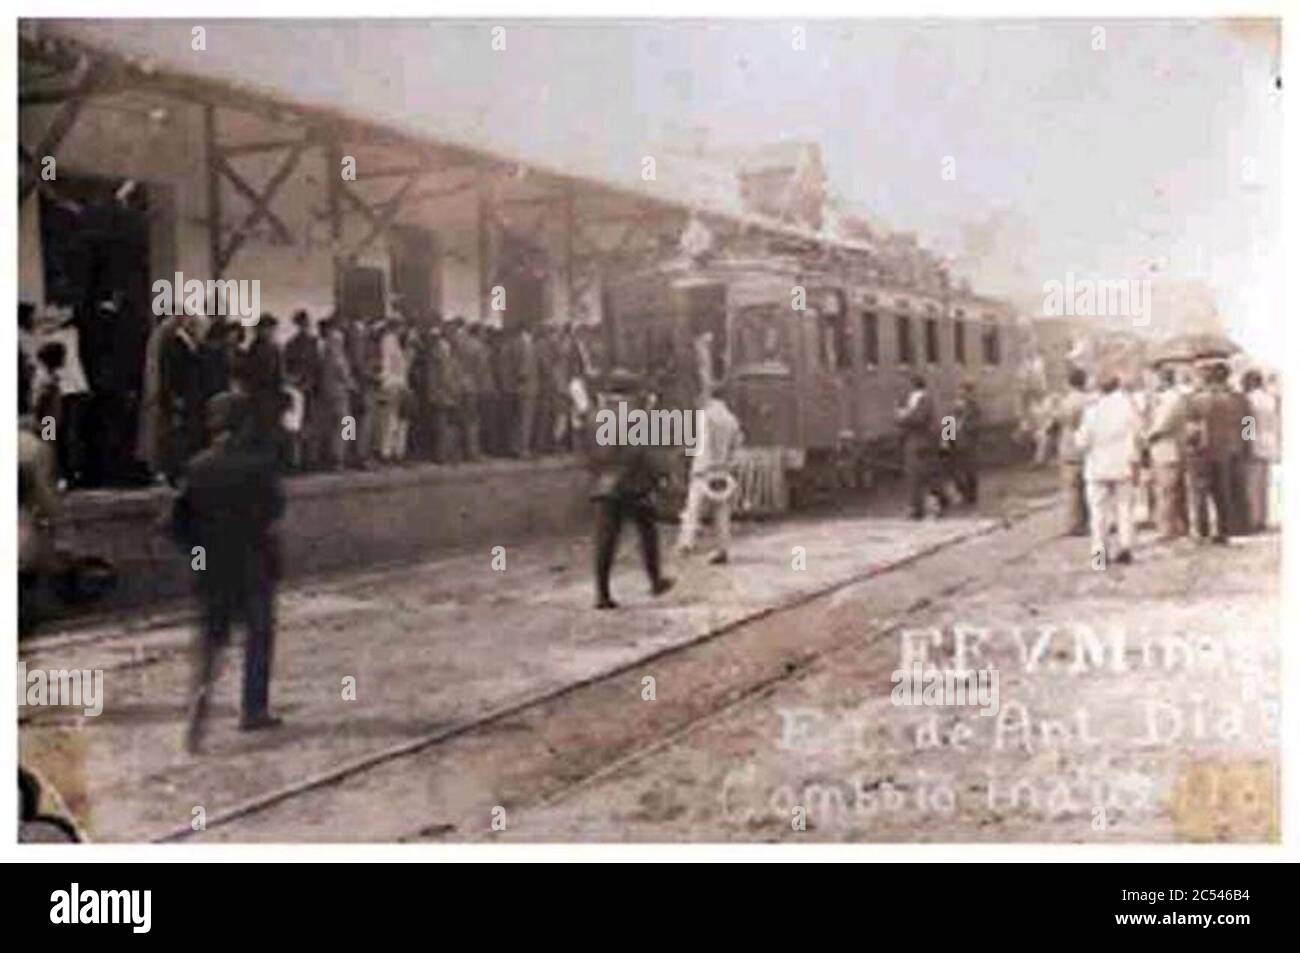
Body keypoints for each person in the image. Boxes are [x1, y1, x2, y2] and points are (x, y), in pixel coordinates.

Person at [169, 392, 285, 754]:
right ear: (245, 423)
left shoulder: (197, 466)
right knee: (258, 637)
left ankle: (199, 707)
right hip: (254, 566)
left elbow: (177, 522)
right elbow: (275, 510)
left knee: (211, 642)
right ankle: (253, 709)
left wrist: (198, 554)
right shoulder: (260, 465)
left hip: (212, 569)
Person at [585, 370, 674, 609]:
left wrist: (596, 475)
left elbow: (588, 452)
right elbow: (645, 453)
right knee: (648, 532)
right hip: (633, 485)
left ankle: (602, 594)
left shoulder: (595, 416)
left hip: (603, 485)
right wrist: (659, 477)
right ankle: (655, 580)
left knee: (605, 541)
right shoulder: (636, 416)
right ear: (632, 392)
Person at [1076, 373, 1140, 565]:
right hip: (1122, 465)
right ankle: (1126, 549)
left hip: (1097, 467)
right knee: (1124, 508)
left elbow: (1082, 441)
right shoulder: (1129, 408)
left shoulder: (1092, 410)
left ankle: (1099, 558)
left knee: (1098, 514)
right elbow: (1138, 434)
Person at [677, 381, 744, 563]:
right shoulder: (731, 420)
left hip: (703, 469)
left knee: (693, 510)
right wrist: (728, 465)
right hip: (722, 472)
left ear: (709, 396)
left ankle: (686, 544)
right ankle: (722, 549)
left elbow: (697, 442)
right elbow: (736, 447)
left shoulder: (704, 416)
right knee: (721, 513)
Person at [1186, 360, 1249, 542]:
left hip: (1203, 451)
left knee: (1200, 492)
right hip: (1230, 450)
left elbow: (1192, 429)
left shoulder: (1196, 399)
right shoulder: (1239, 399)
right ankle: (1224, 530)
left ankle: (1202, 530)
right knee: (1224, 491)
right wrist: (1245, 445)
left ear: (1208, 377)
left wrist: (1190, 447)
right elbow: (1248, 424)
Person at [1143, 363, 1190, 540]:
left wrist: (1146, 438)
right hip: (1168, 448)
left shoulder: (1171, 399)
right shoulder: (1166, 398)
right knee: (1173, 491)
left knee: (1166, 491)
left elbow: (1162, 426)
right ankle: (1179, 525)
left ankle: (1168, 529)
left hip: (1167, 448)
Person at [895, 373, 948, 519]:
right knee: (923, 476)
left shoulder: (922, 400)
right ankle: (926, 505)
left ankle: (922, 507)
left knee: (918, 476)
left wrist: (902, 416)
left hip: (920, 444)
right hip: (921, 443)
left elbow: (918, 419)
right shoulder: (923, 399)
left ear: (912, 386)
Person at [282, 309, 321, 470]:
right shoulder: (306, 343)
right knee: (300, 425)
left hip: (306, 387)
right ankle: (303, 459)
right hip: (303, 388)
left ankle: (305, 458)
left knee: (305, 424)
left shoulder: (296, 343)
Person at [1055, 367, 1092, 536]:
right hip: (1088, 447)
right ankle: (1090, 520)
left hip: (1069, 447)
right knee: (1089, 486)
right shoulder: (1091, 401)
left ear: (1069, 383)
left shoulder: (1065, 402)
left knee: (1072, 487)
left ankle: (1074, 523)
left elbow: (1056, 421)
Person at [1241, 369, 1279, 533]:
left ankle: (1253, 519)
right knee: (1263, 485)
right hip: (1268, 443)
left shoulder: (1249, 400)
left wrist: (1246, 443)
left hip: (1254, 444)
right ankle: (1262, 518)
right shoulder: (1269, 399)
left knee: (1251, 485)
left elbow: (1248, 424)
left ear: (1250, 382)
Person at [315, 317, 355, 470]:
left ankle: (329, 455)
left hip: (325, 391)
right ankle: (340, 456)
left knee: (329, 424)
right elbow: (343, 372)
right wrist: (351, 384)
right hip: (340, 391)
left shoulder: (321, 350)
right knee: (346, 422)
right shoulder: (337, 355)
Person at [945, 379, 982, 505]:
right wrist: (946, 439)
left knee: (970, 471)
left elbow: (976, 425)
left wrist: (963, 424)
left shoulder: (974, 407)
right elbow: (948, 420)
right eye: (960, 391)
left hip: (968, 443)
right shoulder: (954, 406)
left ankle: (971, 496)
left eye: (964, 391)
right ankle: (963, 492)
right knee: (952, 470)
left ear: (969, 393)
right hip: (954, 442)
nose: (961, 393)